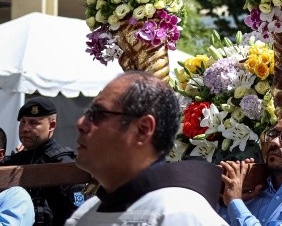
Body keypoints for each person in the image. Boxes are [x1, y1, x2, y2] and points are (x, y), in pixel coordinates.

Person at [66, 71, 225, 225]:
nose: (81, 123)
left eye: (98, 114)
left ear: (143, 129)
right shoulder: (84, 214)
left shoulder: (179, 214)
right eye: (87, 113)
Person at [1, 97, 83, 226]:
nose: (25, 128)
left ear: (52, 125)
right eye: (23, 122)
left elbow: (75, 216)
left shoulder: (62, 165)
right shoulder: (16, 160)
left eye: (33, 123)